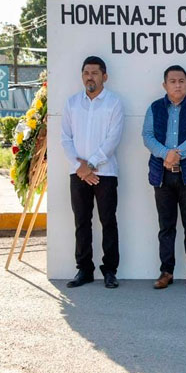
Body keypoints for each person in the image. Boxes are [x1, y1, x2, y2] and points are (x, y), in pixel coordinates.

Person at [142, 65, 186, 290]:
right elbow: (148, 136)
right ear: (165, 85)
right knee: (166, 225)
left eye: (181, 81)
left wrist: (176, 154)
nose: (177, 84)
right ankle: (166, 271)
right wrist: (165, 155)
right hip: (162, 175)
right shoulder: (154, 108)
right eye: (173, 81)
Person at [61, 56, 125, 289]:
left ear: (104, 77)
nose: (90, 76)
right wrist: (81, 168)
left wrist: (92, 164)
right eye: (86, 72)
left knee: (108, 221)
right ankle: (84, 270)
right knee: (81, 222)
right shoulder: (71, 103)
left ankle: (110, 271)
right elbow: (65, 138)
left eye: (95, 73)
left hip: (105, 173)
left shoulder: (113, 103)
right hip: (77, 173)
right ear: (82, 76)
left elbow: (113, 139)